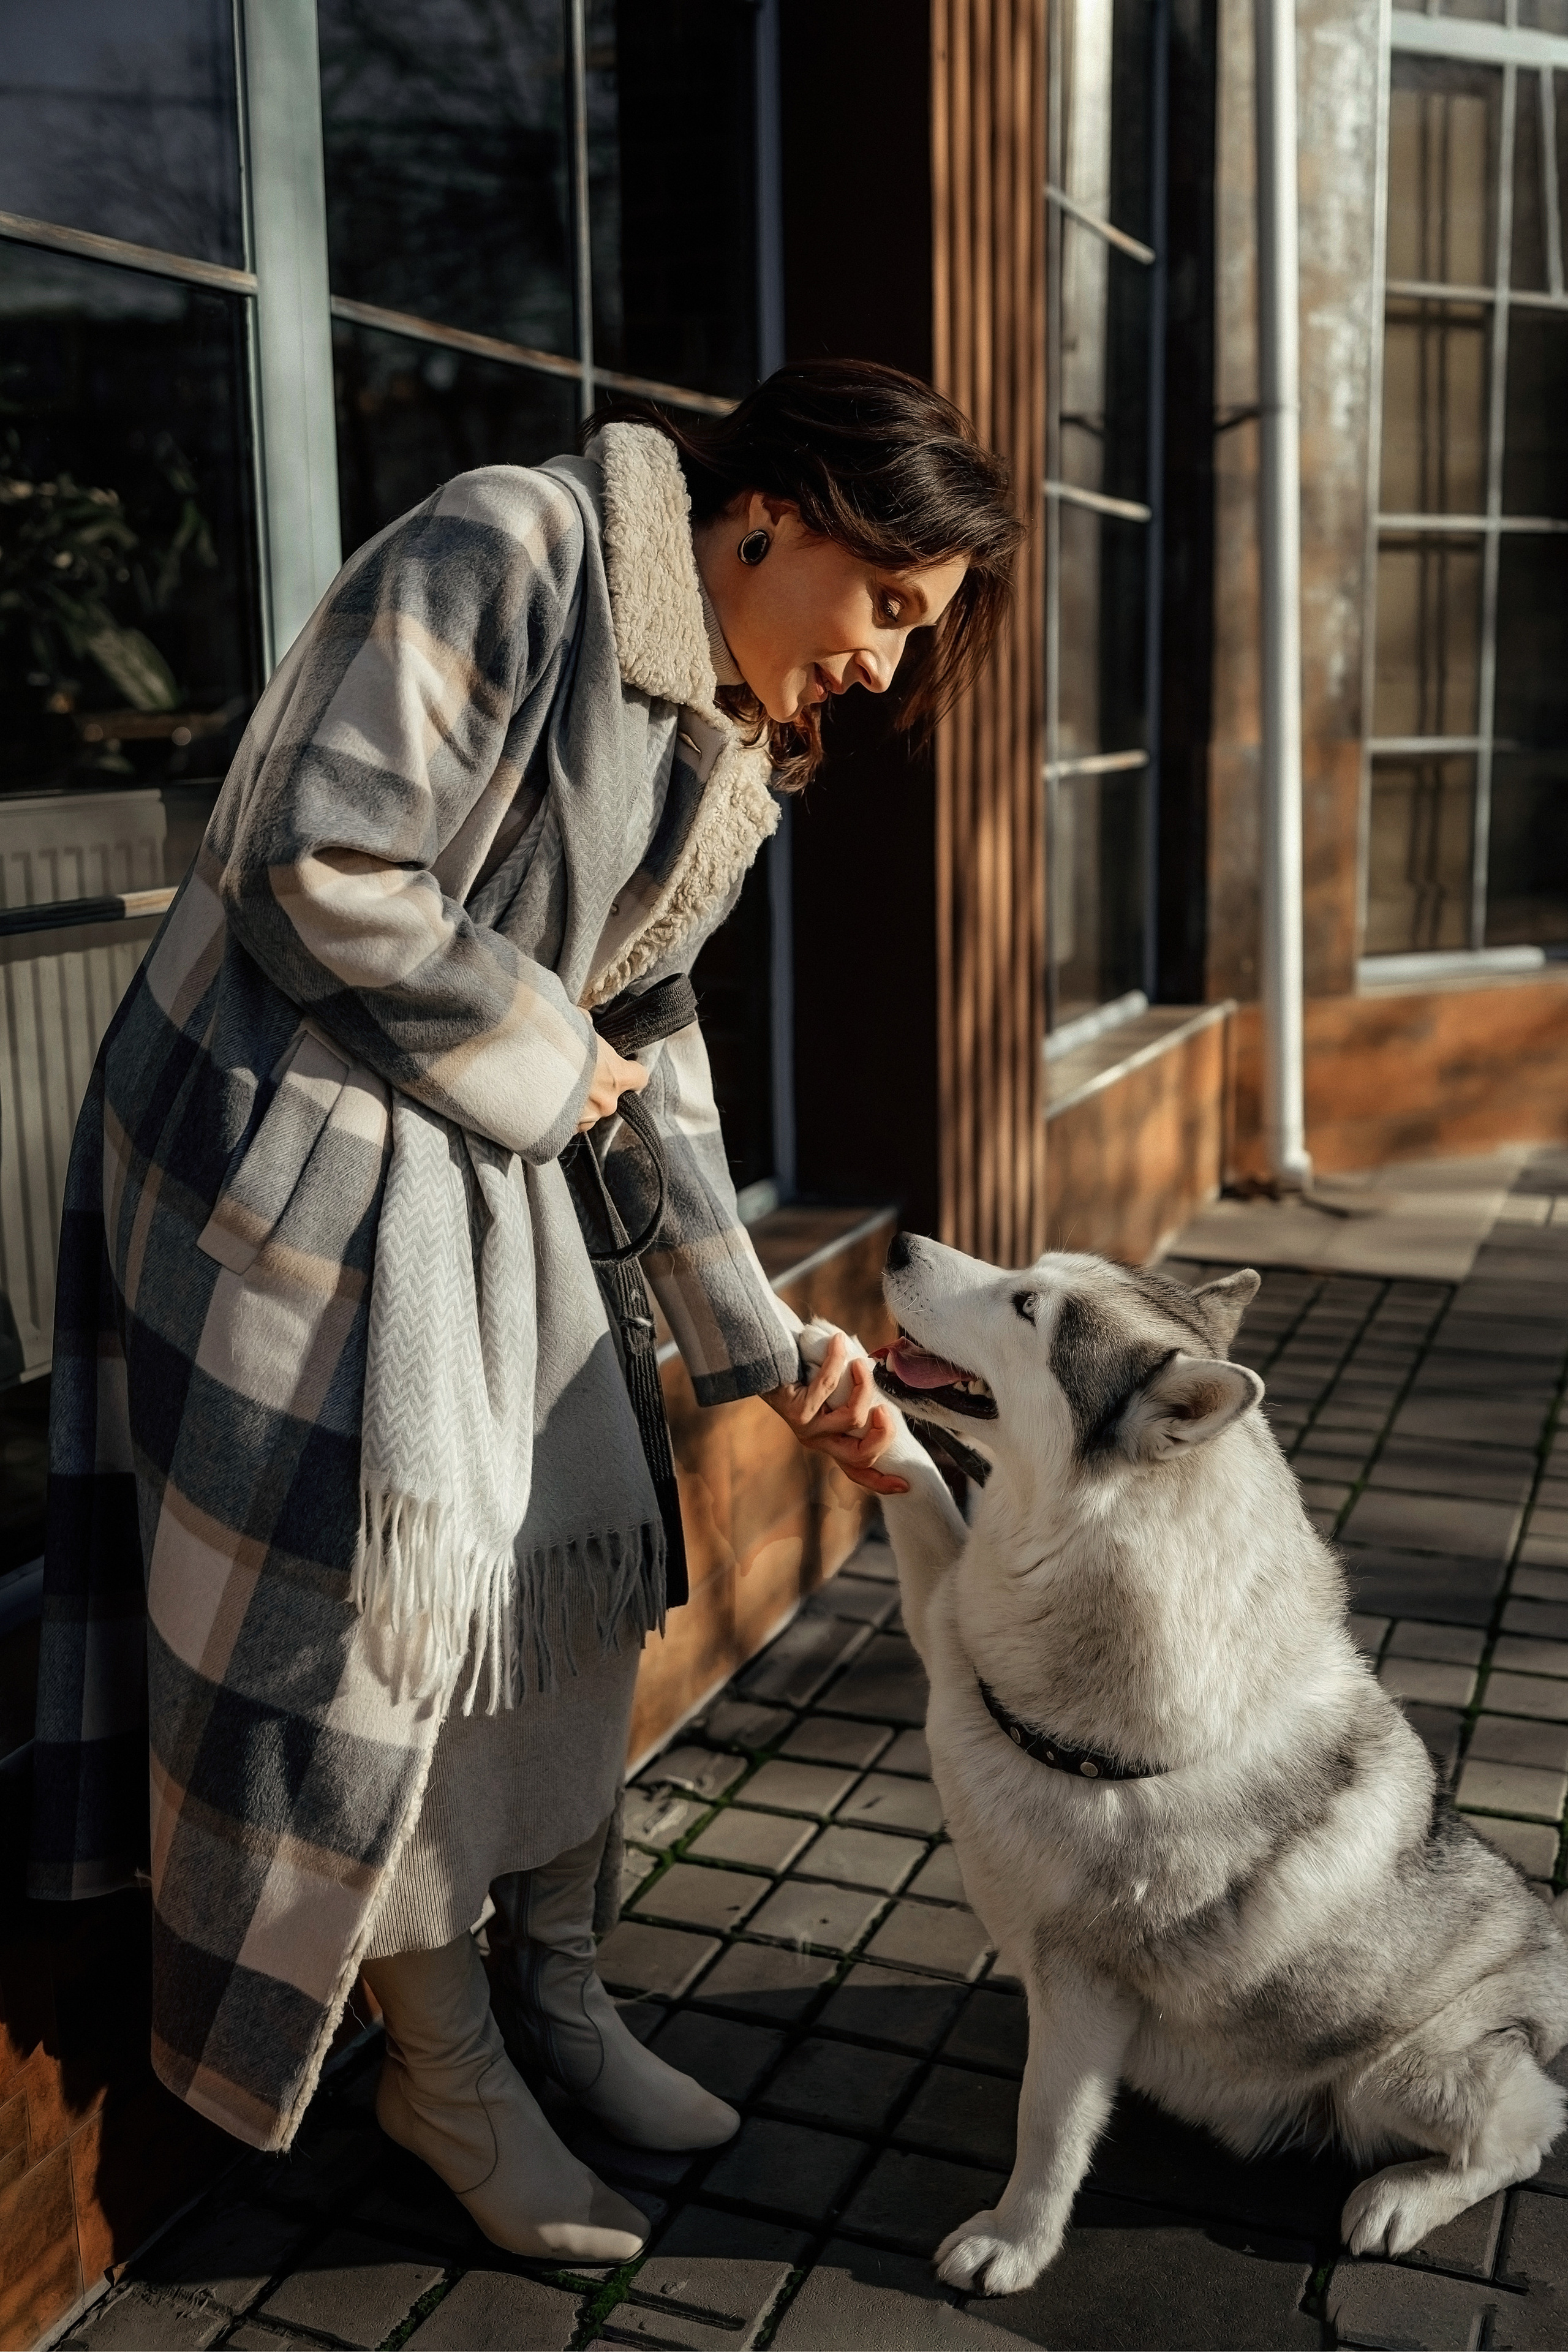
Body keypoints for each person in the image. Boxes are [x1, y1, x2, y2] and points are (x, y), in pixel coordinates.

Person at [30, 360, 1020, 2260]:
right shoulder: (516, 544)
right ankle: (450, 2072)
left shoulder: (723, 730)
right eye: (891, 609)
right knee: (389, 1631)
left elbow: (641, 1029)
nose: (889, 670)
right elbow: (310, 852)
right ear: (786, 509)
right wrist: (549, 1048)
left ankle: (558, 1996)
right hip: (287, 1158)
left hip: (475, 1161)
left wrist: (753, 1337)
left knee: (573, 1560)